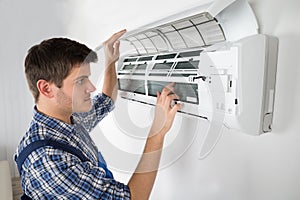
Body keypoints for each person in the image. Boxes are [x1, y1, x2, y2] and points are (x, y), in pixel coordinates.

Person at [14, 29, 181, 199]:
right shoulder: (48, 160)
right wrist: (158, 131)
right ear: (46, 88)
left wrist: (111, 62)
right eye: (80, 81)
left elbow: (106, 100)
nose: (91, 88)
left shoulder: (67, 120)